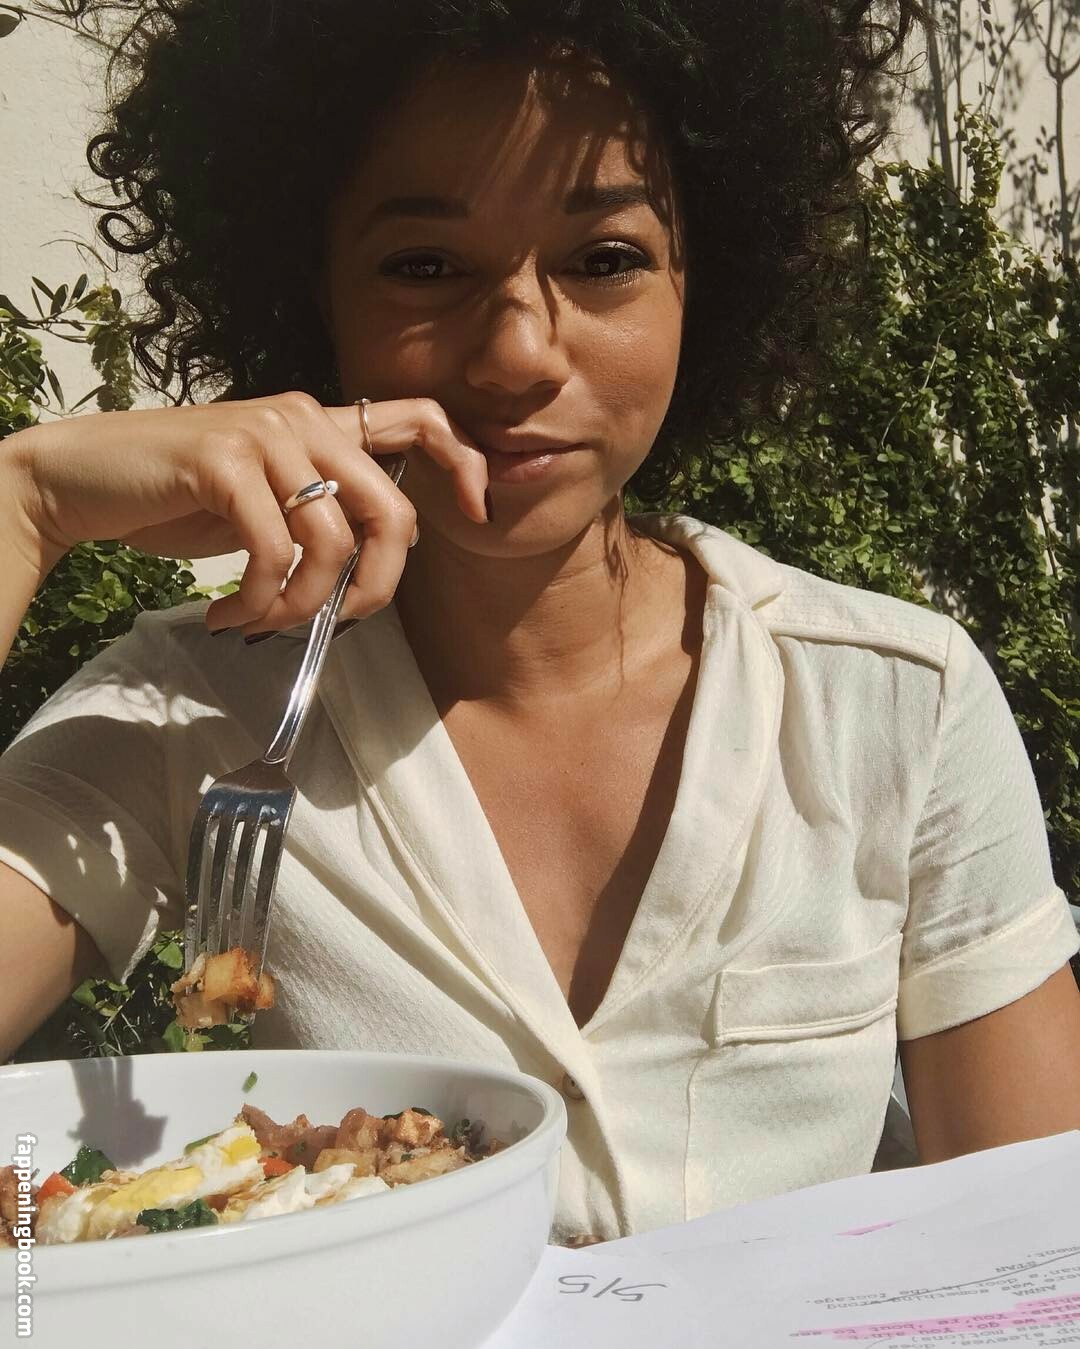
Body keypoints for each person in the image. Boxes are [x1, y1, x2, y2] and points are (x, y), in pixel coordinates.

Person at [1, 0, 1078, 1248]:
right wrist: (24, 505)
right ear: (315, 293)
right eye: (425, 266)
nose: (517, 353)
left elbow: (1034, 1250)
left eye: (605, 258)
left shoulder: (897, 703)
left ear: (700, 282)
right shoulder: (186, 715)